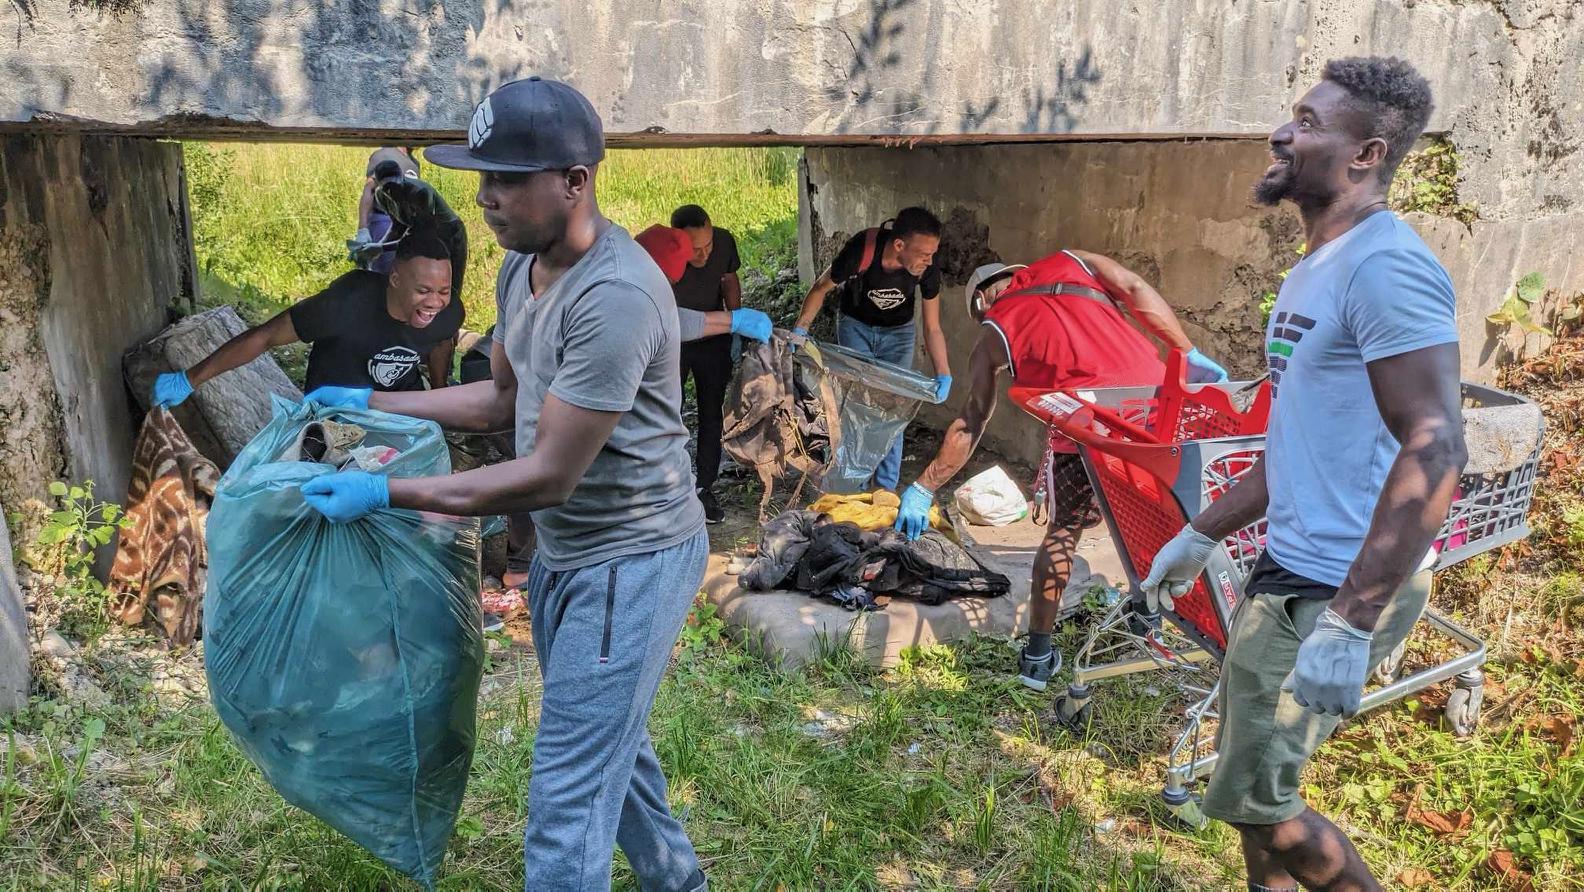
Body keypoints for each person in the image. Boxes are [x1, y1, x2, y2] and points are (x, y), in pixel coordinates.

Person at [293, 76, 710, 892]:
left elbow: (549, 475)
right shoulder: (521, 271)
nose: (484, 198)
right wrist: (372, 399)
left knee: (565, 799)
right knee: (608, 750)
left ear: (575, 182)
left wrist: (385, 495)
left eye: (507, 179)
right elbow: (503, 398)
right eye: (480, 176)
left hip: (631, 557)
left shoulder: (617, 297)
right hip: (569, 552)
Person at [1139, 57, 1464, 892]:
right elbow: (1299, 446)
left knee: (1259, 804)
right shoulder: (1318, 267)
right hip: (1289, 572)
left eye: (1310, 122)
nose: (1284, 132)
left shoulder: (1384, 266)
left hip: (1333, 587)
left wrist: (1351, 623)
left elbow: (1435, 445)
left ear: (1366, 154)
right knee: (1259, 801)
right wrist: (1198, 532)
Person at [892, 249, 1229, 691]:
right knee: (1159, 518)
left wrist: (924, 485)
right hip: (1154, 411)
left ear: (980, 303)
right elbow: (1134, 288)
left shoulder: (995, 330)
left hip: (1087, 425)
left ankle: (1036, 657)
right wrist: (1186, 351)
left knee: (1064, 532)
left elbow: (972, 420)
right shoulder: (1074, 260)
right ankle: (1151, 618)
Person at [151, 230, 462, 407]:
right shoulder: (346, 303)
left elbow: (441, 341)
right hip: (332, 412)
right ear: (395, 279)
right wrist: (189, 380)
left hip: (400, 409)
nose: (434, 302)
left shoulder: (448, 312)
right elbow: (266, 336)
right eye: (423, 290)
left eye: (443, 291)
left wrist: (439, 392)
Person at [790, 206, 951, 491]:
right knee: (855, 406)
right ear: (899, 245)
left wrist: (943, 372)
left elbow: (932, 326)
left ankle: (884, 490)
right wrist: (800, 330)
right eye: (924, 254)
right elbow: (820, 288)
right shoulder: (861, 250)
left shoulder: (927, 269)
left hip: (899, 333)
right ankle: (853, 486)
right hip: (856, 326)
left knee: (893, 407)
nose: (930, 260)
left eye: (932, 254)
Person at [669, 205, 743, 524]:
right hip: (672, 339)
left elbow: (729, 280)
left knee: (711, 412)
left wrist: (737, 321)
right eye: (694, 249)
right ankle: (670, 489)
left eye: (708, 245)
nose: (703, 255)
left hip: (713, 336)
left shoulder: (724, 242)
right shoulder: (659, 257)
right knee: (668, 413)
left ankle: (704, 487)